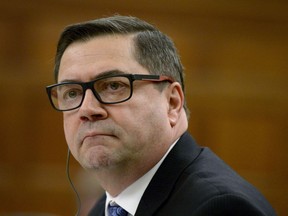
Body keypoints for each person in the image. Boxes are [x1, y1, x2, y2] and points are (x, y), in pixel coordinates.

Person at [46, 15, 276, 216]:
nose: (86, 109)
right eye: (72, 93)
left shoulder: (221, 208)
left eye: (114, 86)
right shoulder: (104, 208)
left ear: (172, 103)